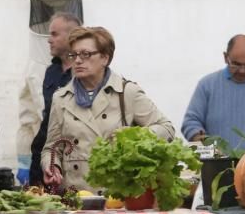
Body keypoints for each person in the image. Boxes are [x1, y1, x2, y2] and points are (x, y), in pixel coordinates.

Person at [41, 26, 175, 193]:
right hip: (75, 197)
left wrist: (135, 137)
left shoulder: (127, 92)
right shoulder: (61, 98)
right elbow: (51, 147)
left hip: (118, 197)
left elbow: (167, 128)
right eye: (73, 55)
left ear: (105, 58)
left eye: (85, 54)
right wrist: (52, 166)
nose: (77, 61)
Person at [29, 12, 81, 185]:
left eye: (54, 34)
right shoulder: (51, 71)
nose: (49, 40)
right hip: (43, 152)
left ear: (71, 36)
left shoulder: (84, 73)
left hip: (69, 156)